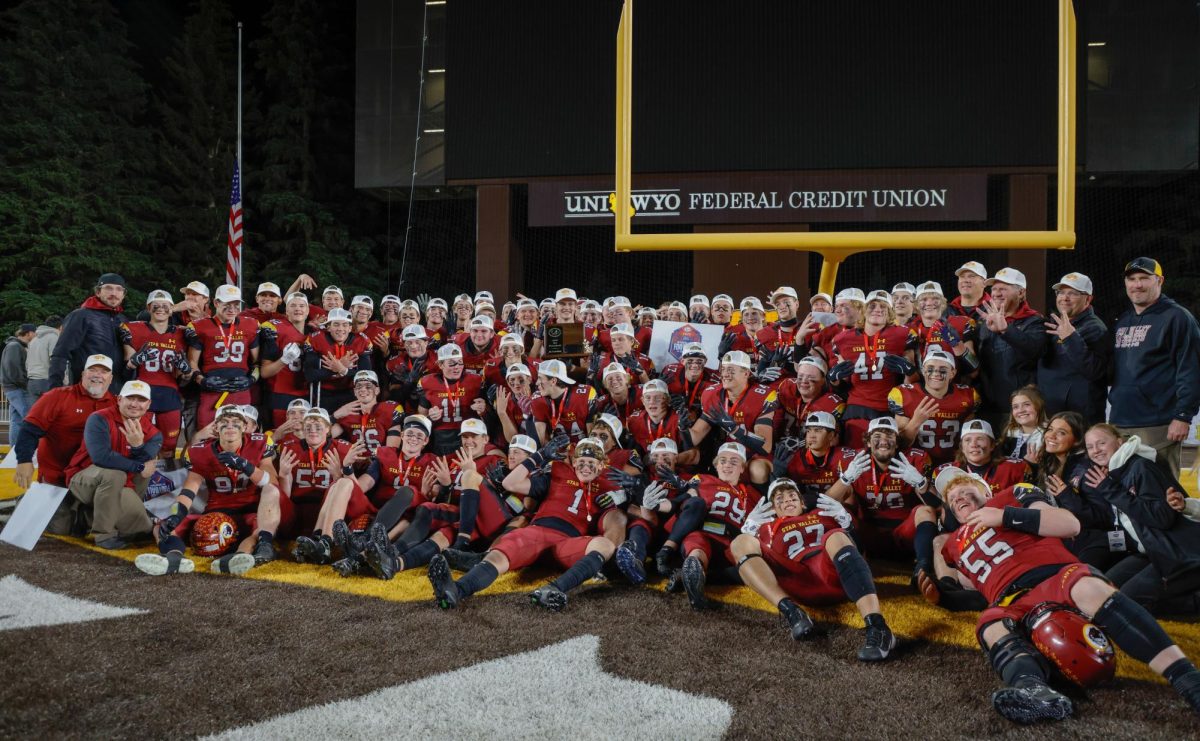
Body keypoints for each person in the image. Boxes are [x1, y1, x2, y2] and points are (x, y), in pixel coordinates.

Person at [939, 474, 1200, 724]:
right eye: (952, 499)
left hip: (1054, 574)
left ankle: (1187, 679)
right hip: (1009, 599)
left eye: (964, 490)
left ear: (986, 490)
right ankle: (1034, 691)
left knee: (1088, 589)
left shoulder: (1012, 495)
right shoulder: (953, 543)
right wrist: (941, 590)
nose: (958, 498)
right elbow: (972, 582)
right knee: (990, 625)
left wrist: (1005, 515)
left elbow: (1068, 524)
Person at [427, 436, 624, 612]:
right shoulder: (557, 473)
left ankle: (553, 590)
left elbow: (617, 519)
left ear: (601, 466)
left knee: (605, 545)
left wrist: (625, 495)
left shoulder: (609, 487)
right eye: (581, 461)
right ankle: (456, 591)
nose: (586, 466)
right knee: (498, 557)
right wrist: (540, 456)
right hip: (538, 532)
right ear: (573, 461)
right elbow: (510, 484)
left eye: (591, 462)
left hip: (568, 543)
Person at [732, 477, 896, 660]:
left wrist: (847, 523)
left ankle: (878, 627)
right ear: (772, 509)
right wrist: (747, 530)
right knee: (740, 542)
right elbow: (743, 567)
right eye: (779, 499)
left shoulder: (824, 513)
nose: (787, 500)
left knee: (835, 536)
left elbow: (861, 553)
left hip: (833, 574)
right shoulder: (764, 527)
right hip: (796, 578)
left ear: (802, 502)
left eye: (792, 496)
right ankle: (791, 612)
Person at [139, 405, 283, 576]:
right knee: (162, 526)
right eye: (224, 422)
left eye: (236, 422)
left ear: (245, 427)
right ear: (215, 427)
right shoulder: (201, 451)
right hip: (216, 511)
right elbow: (188, 491)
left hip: (250, 509)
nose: (230, 426)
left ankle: (238, 558)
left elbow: (272, 482)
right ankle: (174, 558)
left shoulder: (258, 443)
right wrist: (176, 515)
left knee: (259, 530)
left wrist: (246, 466)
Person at [1081, 424, 1200, 613]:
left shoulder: (1140, 467)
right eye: (1090, 446)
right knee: (1105, 590)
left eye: (1102, 443)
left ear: (1120, 442)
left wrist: (1110, 490)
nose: (1096, 450)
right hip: (1147, 551)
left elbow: (1162, 518)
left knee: (1125, 603)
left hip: (1173, 553)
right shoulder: (1113, 473)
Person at [1109, 257, 1200, 479]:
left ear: (1159, 280)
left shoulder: (1177, 317)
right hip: (1120, 422)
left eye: (1144, 278)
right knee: (1124, 492)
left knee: (1162, 493)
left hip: (1158, 425)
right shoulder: (1124, 321)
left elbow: (1191, 369)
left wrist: (1183, 415)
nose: (1137, 284)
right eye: (1132, 279)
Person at [825, 416, 937, 577]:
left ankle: (923, 569)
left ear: (897, 442)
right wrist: (845, 479)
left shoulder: (913, 459)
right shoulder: (855, 461)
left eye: (889, 436)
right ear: (868, 442)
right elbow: (827, 503)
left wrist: (921, 483)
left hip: (904, 534)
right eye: (877, 437)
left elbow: (937, 506)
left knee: (925, 511)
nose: (883, 441)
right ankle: (856, 570)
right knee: (839, 511)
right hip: (868, 535)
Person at [63, 379, 161, 548]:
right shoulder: (99, 418)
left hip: (124, 486)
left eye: (141, 400)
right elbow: (101, 457)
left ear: (148, 404)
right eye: (130, 398)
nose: (135, 404)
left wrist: (138, 446)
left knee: (141, 529)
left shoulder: (154, 433)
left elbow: (145, 468)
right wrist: (138, 466)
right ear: (119, 399)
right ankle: (103, 535)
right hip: (84, 478)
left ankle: (87, 517)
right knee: (116, 474)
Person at [827, 290, 918, 444]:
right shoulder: (843, 339)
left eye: (884, 306)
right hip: (858, 407)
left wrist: (909, 371)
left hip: (890, 408)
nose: (878, 309)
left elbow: (912, 382)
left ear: (890, 312)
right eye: (873, 305)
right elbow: (842, 385)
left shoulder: (903, 334)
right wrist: (833, 379)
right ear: (863, 310)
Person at [682, 350, 777, 485]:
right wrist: (683, 428)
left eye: (731, 370)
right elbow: (695, 437)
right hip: (726, 452)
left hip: (753, 454)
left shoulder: (762, 396)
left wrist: (733, 428)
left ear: (746, 373)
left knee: (758, 471)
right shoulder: (712, 394)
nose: (725, 374)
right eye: (724, 369)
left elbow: (765, 446)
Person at [120, 290, 190, 459]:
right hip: (141, 391)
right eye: (156, 306)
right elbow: (127, 363)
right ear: (148, 308)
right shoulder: (135, 329)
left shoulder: (182, 333)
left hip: (170, 393)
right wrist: (136, 359)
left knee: (169, 444)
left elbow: (185, 375)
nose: (160, 309)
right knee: (137, 440)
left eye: (165, 306)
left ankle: (165, 481)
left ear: (172, 308)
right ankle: (139, 475)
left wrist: (185, 370)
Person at [975, 268, 1045, 431]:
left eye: (1003, 289)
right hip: (986, 405)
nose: (996, 293)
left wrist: (1006, 330)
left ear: (1021, 293)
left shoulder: (1035, 322)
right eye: (994, 289)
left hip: (1019, 409)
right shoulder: (982, 321)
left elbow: (1034, 350)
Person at [1037, 273, 1110, 425]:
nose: (1065, 297)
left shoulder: (1096, 328)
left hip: (1079, 419)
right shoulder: (1054, 324)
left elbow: (1094, 371)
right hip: (1053, 414)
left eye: (1073, 293)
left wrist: (1070, 338)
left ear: (1088, 299)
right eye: (1061, 292)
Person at [186, 284, 260, 428]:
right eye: (227, 304)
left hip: (240, 390)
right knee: (207, 434)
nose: (232, 309)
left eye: (236, 304)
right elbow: (191, 362)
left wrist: (251, 380)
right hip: (212, 391)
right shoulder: (199, 326)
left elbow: (257, 363)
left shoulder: (251, 325)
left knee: (241, 435)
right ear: (216, 303)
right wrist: (202, 381)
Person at [890, 346, 979, 466]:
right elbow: (899, 444)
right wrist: (916, 421)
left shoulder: (968, 396)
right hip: (916, 463)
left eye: (943, 369)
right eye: (930, 369)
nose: (936, 373)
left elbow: (969, 438)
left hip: (954, 463)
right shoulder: (905, 395)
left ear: (953, 373)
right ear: (922, 370)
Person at [49, 274, 129, 393]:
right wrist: (54, 390)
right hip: (86, 389)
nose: (114, 293)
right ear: (98, 292)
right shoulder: (81, 316)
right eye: (108, 288)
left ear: (123, 294)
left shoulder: (123, 321)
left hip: (115, 391)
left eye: (119, 289)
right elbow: (61, 353)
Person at [418, 343, 486, 455]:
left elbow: (488, 415)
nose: (457, 367)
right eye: (451, 364)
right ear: (440, 364)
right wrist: (430, 417)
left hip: (468, 434)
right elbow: (421, 417)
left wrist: (484, 410)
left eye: (460, 363)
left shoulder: (475, 381)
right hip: (440, 438)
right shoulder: (427, 382)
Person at [303, 307, 372, 414]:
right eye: (336, 324)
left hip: (350, 393)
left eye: (345, 325)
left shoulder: (362, 341)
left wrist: (343, 370)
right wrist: (336, 369)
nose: (340, 328)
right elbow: (309, 375)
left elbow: (366, 376)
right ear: (328, 327)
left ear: (350, 328)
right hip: (323, 393)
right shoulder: (316, 339)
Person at [259, 292, 313, 426]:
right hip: (280, 394)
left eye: (301, 306)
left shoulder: (315, 333)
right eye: (293, 305)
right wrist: (283, 360)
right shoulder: (276, 330)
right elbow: (264, 372)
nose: (297, 309)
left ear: (307, 311)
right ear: (286, 311)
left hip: (307, 394)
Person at [774, 355, 845, 440]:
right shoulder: (786, 388)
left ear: (823, 380)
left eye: (811, 378)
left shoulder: (831, 404)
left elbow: (833, 441)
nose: (804, 381)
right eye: (800, 376)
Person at [2, 323, 35, 447]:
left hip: (13, 387)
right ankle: (26, 450)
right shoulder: (15, 346)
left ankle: (14, 450)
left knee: (16, 420)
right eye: (34, 333)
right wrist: (25, 383)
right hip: (17, 388)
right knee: (30, 418)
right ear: (28, 333)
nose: (36, 335)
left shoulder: (16, 346)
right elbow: (13, 368)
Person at [1000, 385, 1048, 462]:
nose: (1021, 410)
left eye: (1027, 405)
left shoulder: (1048, 434)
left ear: (1039, 406)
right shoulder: (1010, 431)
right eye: (1015, 407)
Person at [25, 315, 61, 402]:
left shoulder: (34, 340)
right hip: (46, 381)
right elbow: (55, 361)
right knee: (51, 413)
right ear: (60, 327)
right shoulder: (53, 337)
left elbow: (27, 363)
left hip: (32, 382)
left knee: (35, 414)